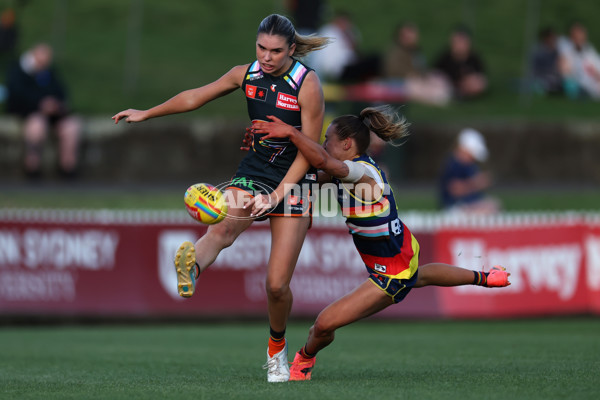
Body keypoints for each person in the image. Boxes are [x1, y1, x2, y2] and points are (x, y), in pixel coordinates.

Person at [112, 14, 329, 383]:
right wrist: (147, 113)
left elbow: (310, 151)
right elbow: (196, 96)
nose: (266, 56)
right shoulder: (246, 74)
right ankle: (193, 265)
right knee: (224, 227)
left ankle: (276, 350)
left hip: (295, 183)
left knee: (276, 285)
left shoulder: (307, 85)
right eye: (261, 48)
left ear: (292, 50)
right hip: (255, 172)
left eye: (276, 50)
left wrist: (277, 194)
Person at [250, 106, 511, 381]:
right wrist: (267, 182)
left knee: (323, 325)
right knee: (419, 275)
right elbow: (308, 178)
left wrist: (291, 132)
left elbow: (323, 163)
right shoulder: (348, 171)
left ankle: (304, 359)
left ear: (347, 144)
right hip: (401, 252)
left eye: (328, 139)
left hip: (390, 273)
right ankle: (485, 277)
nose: (324, 145)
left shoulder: (361, 172)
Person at [5, 43, 82, 178]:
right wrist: (40, 105)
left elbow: (61, 92)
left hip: (55, 114)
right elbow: (16, 97)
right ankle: (32, 168)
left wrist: (56, 105)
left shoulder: (50, 72)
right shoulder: (18, 71)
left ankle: (67, 168)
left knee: (72, 127)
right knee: (37, 126)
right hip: (31, 113)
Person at [382, 22, 451, 106]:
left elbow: (421, 69)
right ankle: (434, 98)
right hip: (400, 82)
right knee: (413, 85)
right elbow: (392, 71)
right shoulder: (395, 52)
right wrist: (410, 74)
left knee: (437, 77)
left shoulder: (415, 52)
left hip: (416, 79)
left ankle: (440, 94)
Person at [438, 128, 500, 213]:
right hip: (455, 209)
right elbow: (454, 189)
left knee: (493, 203)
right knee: (490, 207)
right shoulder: (453, 165)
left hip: (468, 204)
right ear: (464, 149)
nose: (473, 158)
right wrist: (477, 183)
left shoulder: (469, 165)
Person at [311, 10, 380, 83]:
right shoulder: (329, 32)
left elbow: (356, 50)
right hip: (338, 69)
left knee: (373, 60)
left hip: (347, 67)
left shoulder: (349, 32)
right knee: (373, 61)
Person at [433, 26, 487, 100]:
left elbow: (481, 74)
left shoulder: (473, 58)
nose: (458, 45)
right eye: (456, 42)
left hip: (469, 84)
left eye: (461, 42)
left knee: (479, 83)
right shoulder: (445, 57)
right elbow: (436, 74)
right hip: (449, 85)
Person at [557, 21, 600, 100]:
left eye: (581, 36)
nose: (579, 39)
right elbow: (564, 68)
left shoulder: (588, 49)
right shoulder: (566, 47)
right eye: (576, 36)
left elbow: (596, 67)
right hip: (578, 83)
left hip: (592, 82)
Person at [528, 26, 562, 95]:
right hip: (541, 78)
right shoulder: (538, 51)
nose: (553, 40)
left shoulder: (558, 50)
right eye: (551, 38)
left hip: (554, 79)